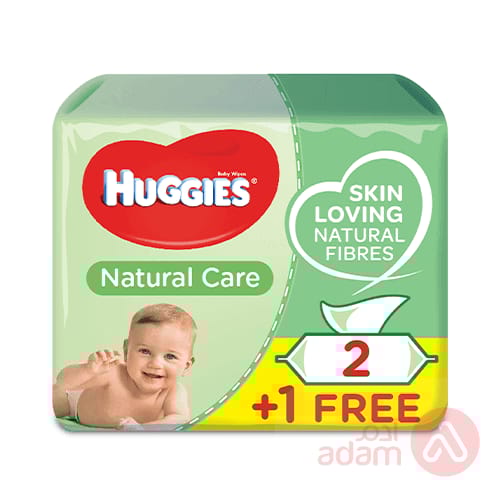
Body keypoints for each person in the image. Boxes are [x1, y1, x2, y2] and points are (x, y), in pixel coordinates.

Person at [53, 304, 195, 430]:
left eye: (170, 356)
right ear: (127, 351)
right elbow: (63, 382)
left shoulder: (173, 391)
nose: (155, 364)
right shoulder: (114, 373)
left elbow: (179, 419)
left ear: (186, 366)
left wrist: (142, 429)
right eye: (145, 351)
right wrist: (88, 370)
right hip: (75, 403)